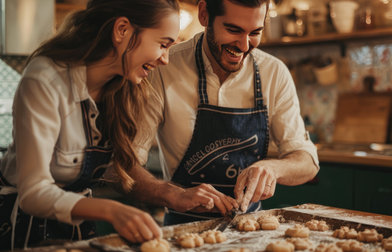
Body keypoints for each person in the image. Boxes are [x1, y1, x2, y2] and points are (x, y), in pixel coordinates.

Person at [0, 0, 234, 249]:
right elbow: (33, 193)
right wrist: (113, 211)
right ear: (122, 30)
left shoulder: (125, 87)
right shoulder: (45, 79)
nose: (165, 59)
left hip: (76, 233)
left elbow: (119, 169)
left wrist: (174, 194)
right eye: (163, 44)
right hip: (20, 230)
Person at [148, 0, 320, 226]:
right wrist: (173, 195)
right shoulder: (163, 68)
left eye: (255, 32)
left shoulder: (274, 73)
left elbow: (307, 162)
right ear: (204, 15)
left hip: (249, 228)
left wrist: (272, 168)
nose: (244, 45)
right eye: (233, 30)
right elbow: (125, 165)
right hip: (182, 228)